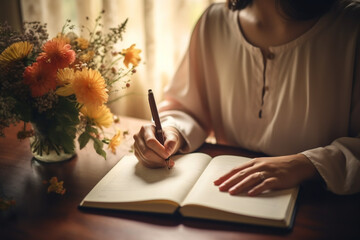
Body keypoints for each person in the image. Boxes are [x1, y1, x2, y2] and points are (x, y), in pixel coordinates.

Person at [133, 0, 360, 196]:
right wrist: (171, 131)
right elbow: (188, 109)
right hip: (229, 198)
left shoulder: (351, 27)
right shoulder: (214, 23)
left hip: (322, 207)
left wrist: (307, 164)